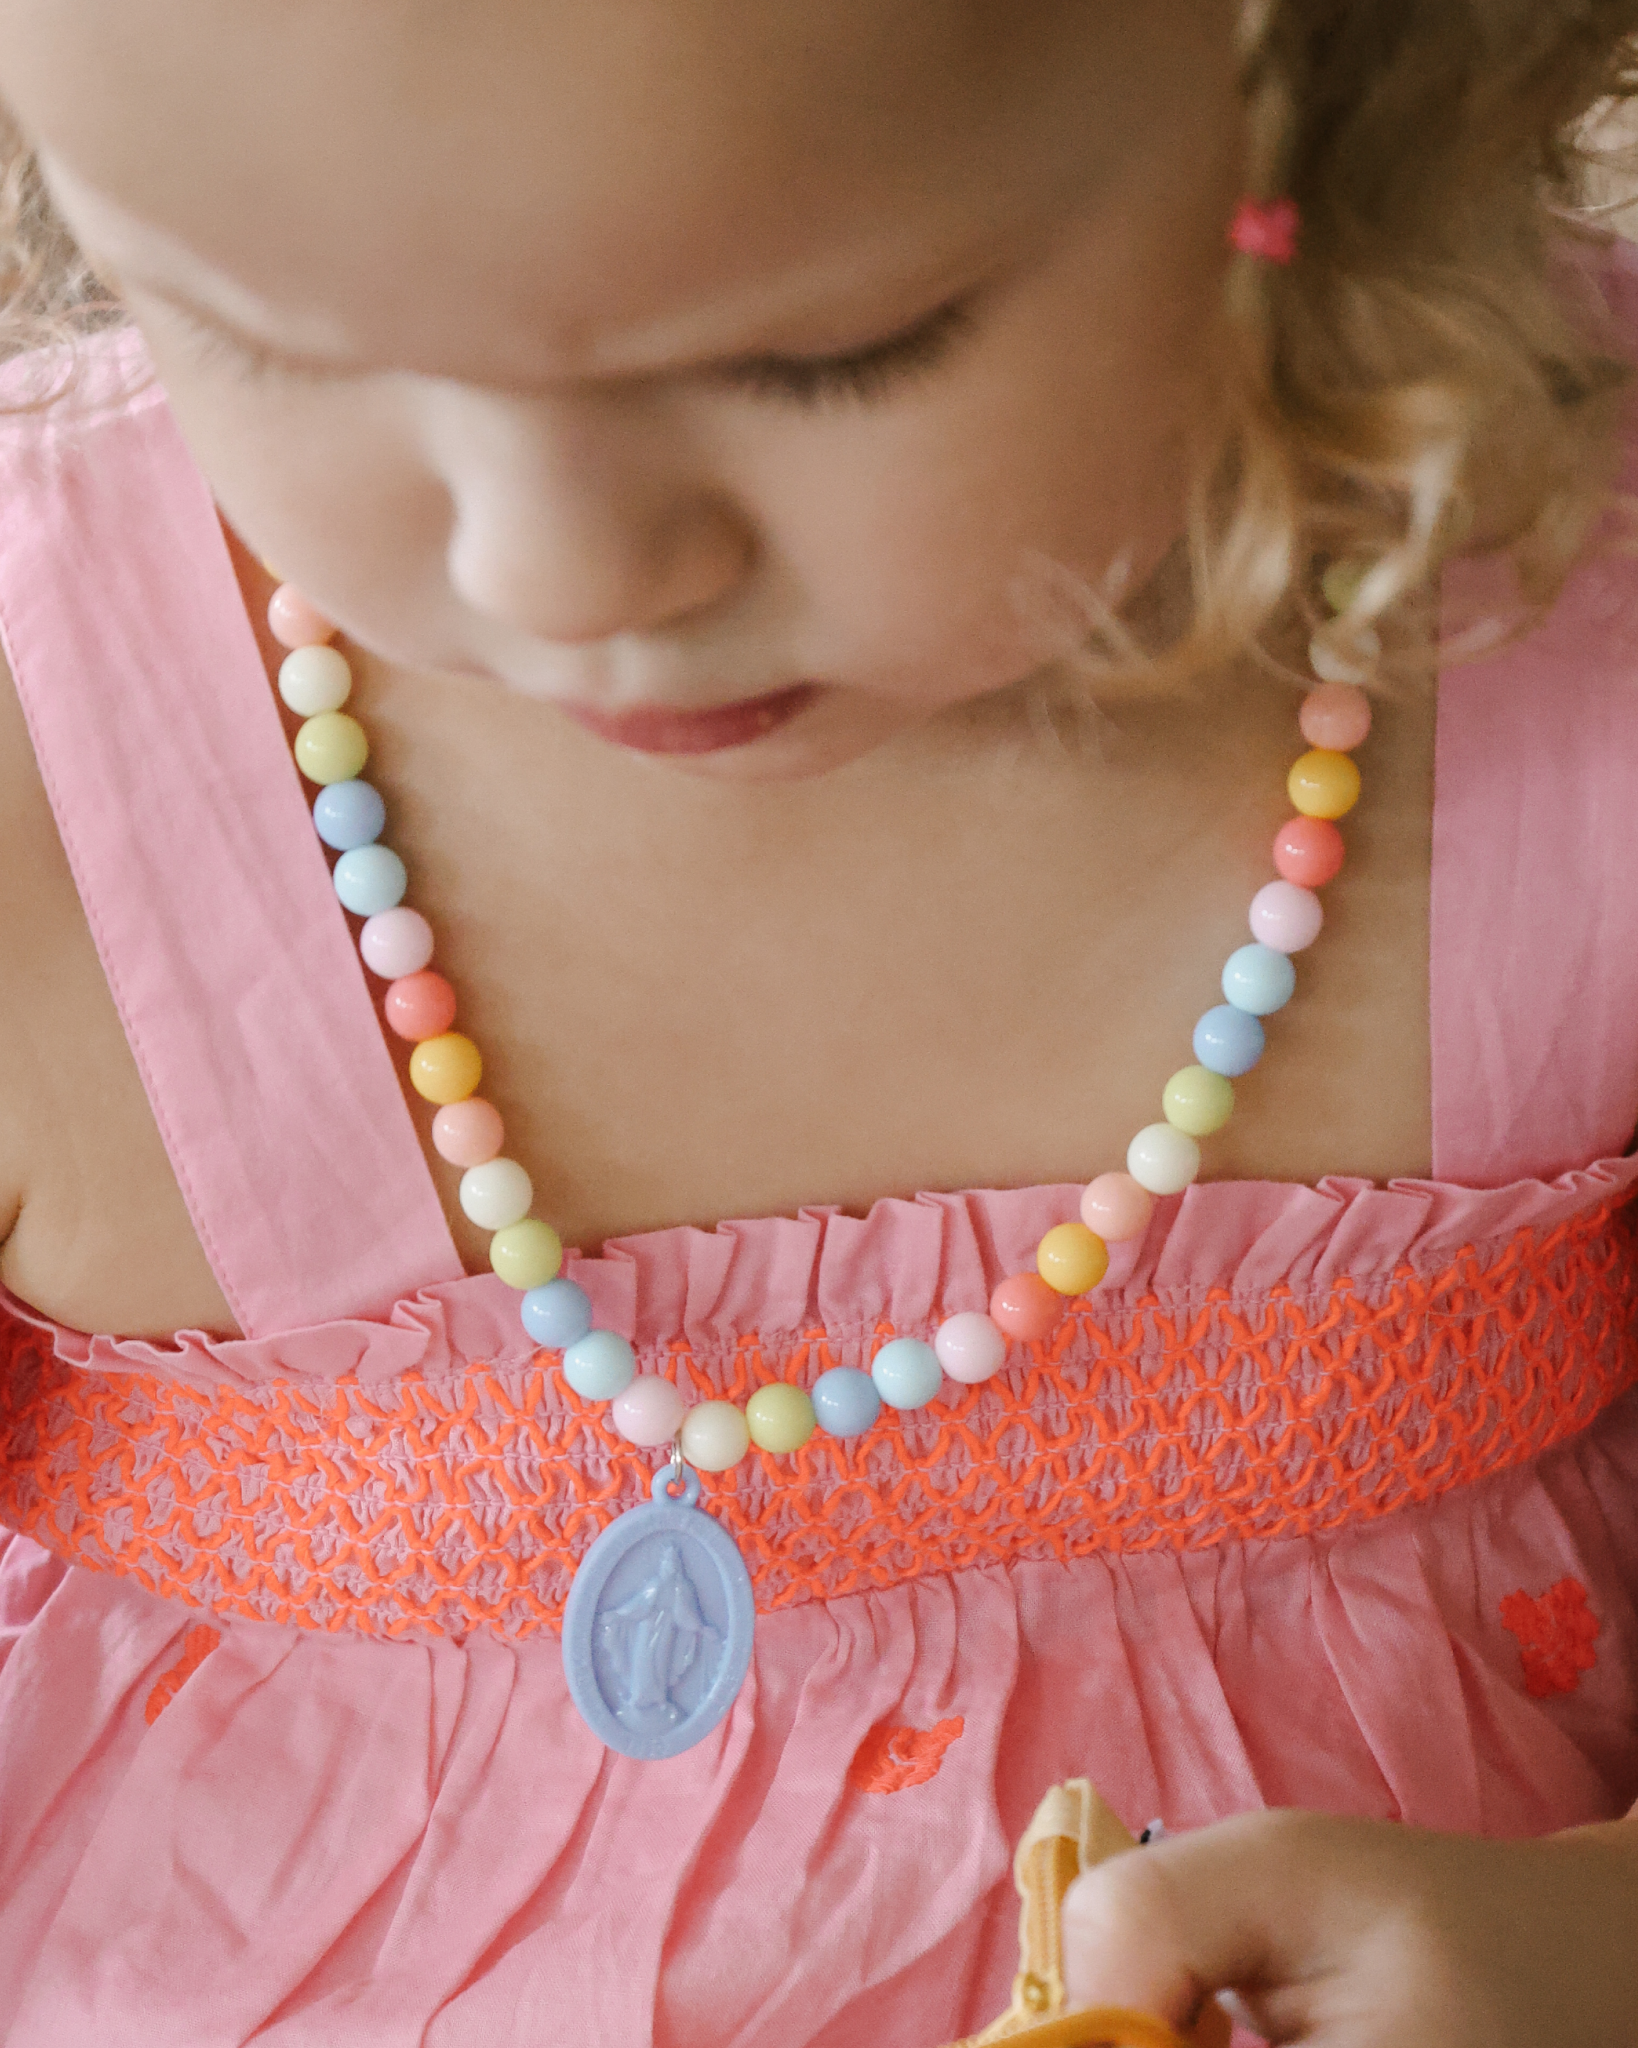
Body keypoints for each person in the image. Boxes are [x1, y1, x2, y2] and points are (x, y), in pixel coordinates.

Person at [0, 1, 1636, 2042]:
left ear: (1328, 75)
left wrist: (1599, 1943)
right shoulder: (44, 785)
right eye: (271, 334)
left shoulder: (1584, 607)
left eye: (824, 354)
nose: (561, 567)